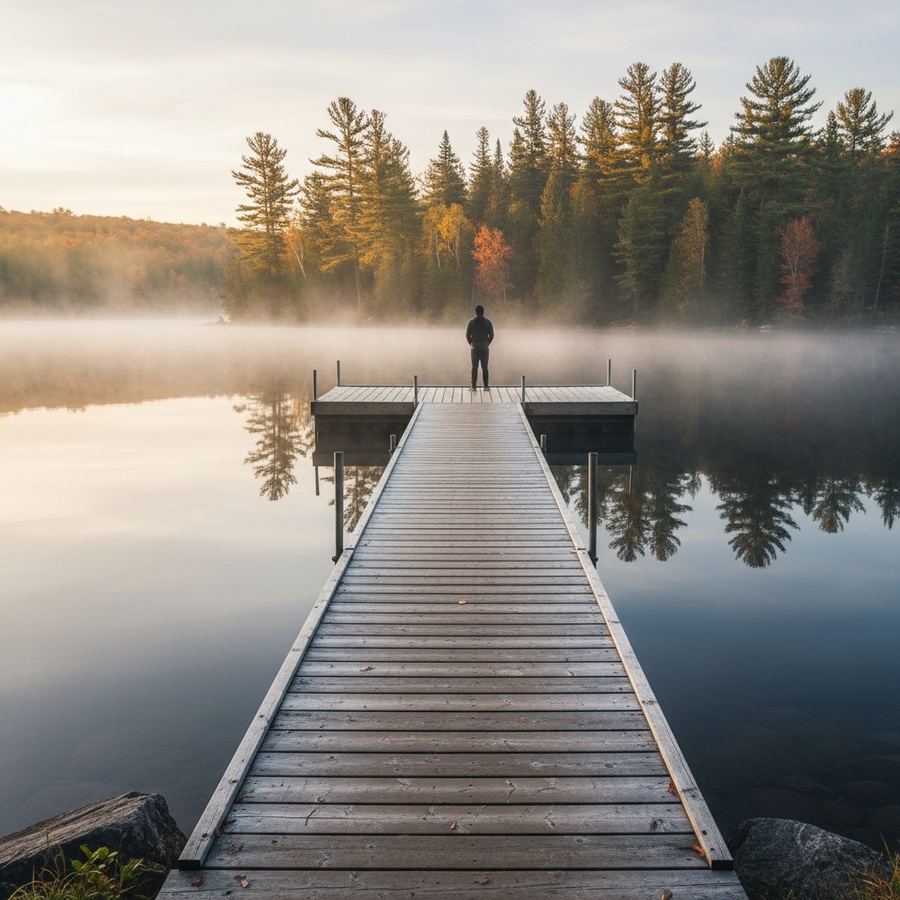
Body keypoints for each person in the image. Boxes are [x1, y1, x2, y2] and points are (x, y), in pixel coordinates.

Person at [466, 304, 494, 390]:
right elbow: (492, 335)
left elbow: (467, 335)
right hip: (484, 348)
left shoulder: (471, 322)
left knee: (474, 367)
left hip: (474, 348)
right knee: (485, 367)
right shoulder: (488, 322)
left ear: (476, 312)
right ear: (483, 312)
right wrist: (487, 343)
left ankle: (473, 386)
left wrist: (472, 344)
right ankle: (486, 386)